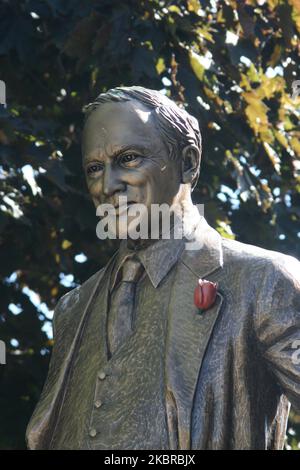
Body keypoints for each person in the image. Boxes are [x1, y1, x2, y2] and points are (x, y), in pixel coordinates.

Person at [26, 86, 300, 450]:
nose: (107, 185)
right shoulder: (72, 310)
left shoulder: (263, 281)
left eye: (129, 158)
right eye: (94, 168)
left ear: (188, 162)